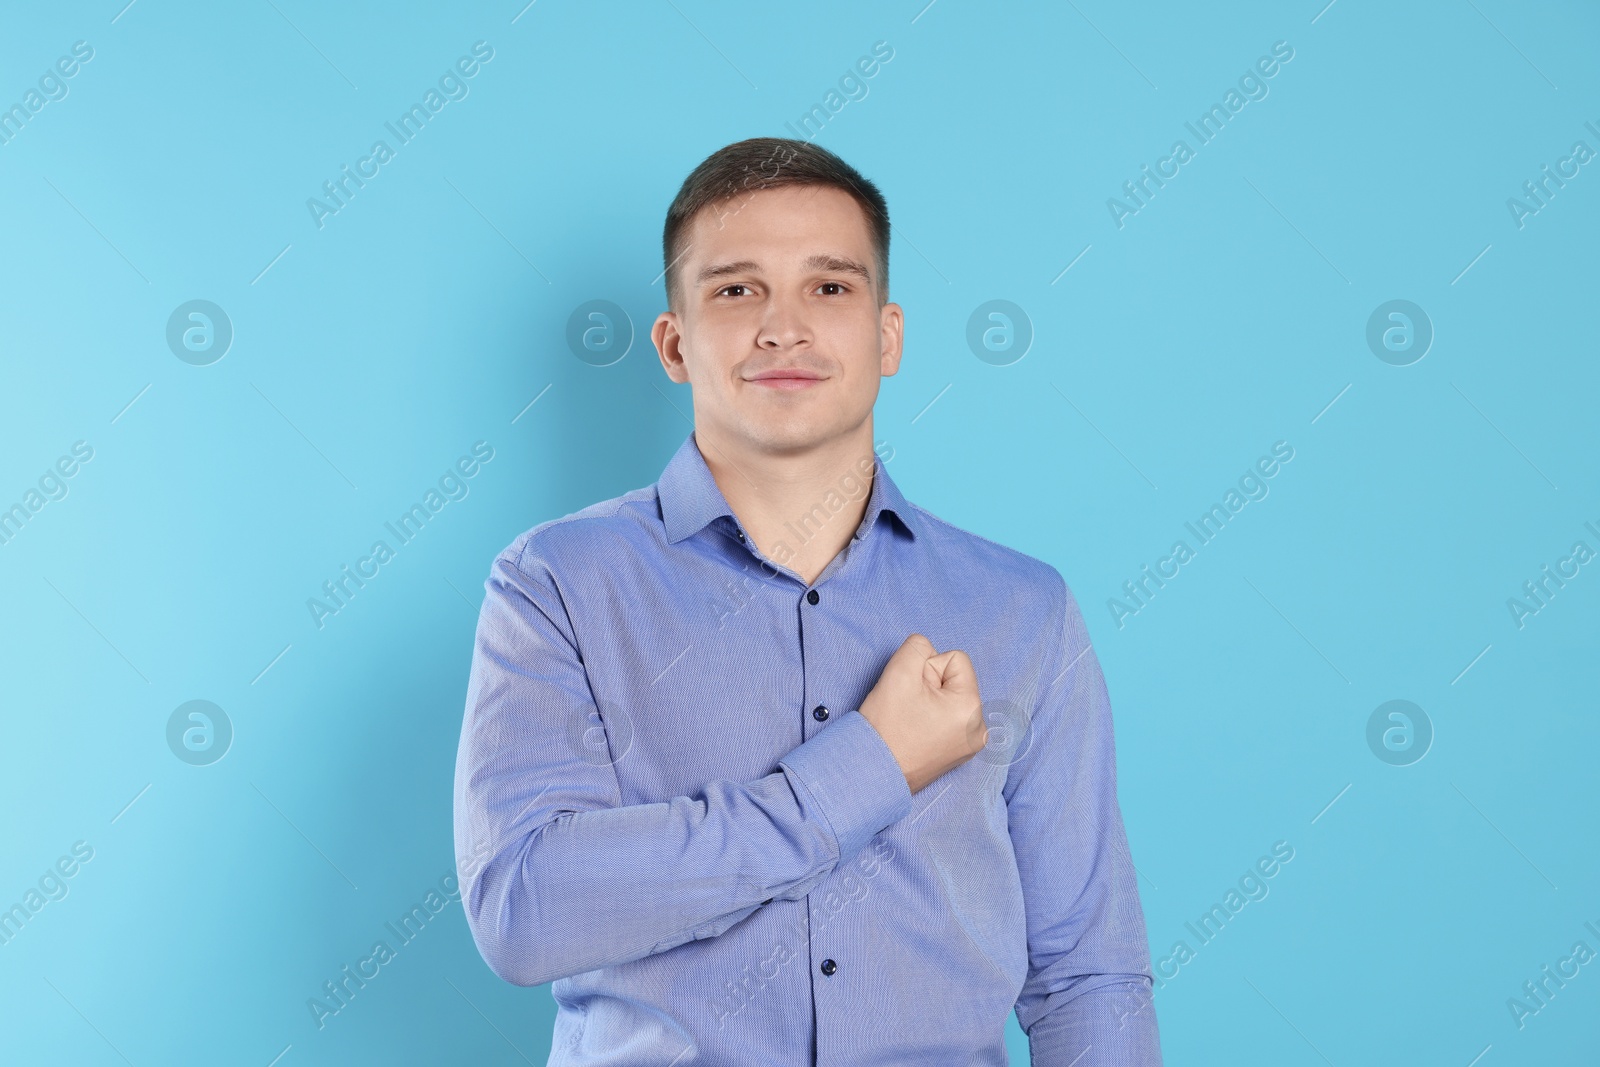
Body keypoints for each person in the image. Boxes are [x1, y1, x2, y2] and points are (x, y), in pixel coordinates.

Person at [453, 136, 1162, 1065]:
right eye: (736, 289)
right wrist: (867, 766)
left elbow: (1087, 975)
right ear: (673, 342)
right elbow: (525, 907)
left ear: (888, 334)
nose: (783, 327)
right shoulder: (556, 585)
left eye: (830, 288)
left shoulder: (1022, 609)